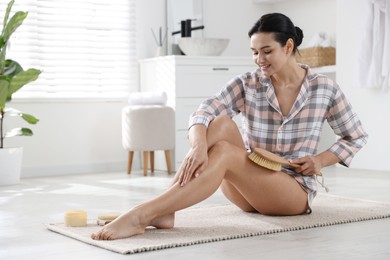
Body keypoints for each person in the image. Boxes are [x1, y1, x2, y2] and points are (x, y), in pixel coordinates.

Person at [91, 13, 368, 240]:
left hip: (291, 191)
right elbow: (204, 111)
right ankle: (164, 209)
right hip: (247, 187)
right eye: (254, 52)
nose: (259, 60)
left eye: (267, 51)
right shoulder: (249, 82)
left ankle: (143, 214)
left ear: (288, 46)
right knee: (221, 124)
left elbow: (355, 136)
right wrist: (198, 146)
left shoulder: (324, 88)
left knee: (224, 151)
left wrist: (320, 160)